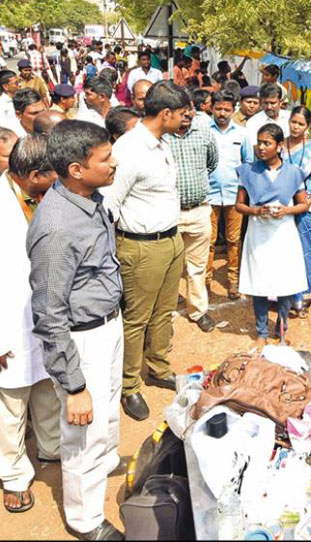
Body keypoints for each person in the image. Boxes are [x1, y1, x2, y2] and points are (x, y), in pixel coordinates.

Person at [27, 120, 124, 540]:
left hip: (107, 327)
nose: (114, 162)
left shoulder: (89, 198)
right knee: (83, 432)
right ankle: (84, 519)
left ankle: (101, 469)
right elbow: (49, 314)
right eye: (105, 158)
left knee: (103, 421)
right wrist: (73, 384)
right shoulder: (58, 227)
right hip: (82, 340)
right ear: (77, 169)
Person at [103, 81, 189, 422]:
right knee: (136, 318)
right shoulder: (129, 150)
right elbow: (109, 207)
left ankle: (158, 367)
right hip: (140, 248)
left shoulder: (160, 142)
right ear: (165, 114)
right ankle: (128, 387)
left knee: (164, 311)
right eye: (182, 113)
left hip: (170, 241)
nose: (186, 119)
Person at [0, 134, 60, 515]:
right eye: (52, 173)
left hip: (45, 313)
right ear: (33, 174)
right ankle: (14, 475)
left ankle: (52, 447)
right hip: (8, 321)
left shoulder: (46, 197)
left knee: (47, 388)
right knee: (10, 407)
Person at [236, 124, 309, 346]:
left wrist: (287, 210)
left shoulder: (294, 173)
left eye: (267, 143)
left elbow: (303, 205)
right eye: (259, 142)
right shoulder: (248, 171)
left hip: (283, 232)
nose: (261, 147)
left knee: (285, 281)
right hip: (258, 231)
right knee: (258, 282)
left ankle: (282, 325)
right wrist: (256, 211)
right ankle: (261, 332)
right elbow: (239, 205)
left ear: (279, 146)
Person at [163, 99, 219, 333]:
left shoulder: (204, 133)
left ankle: (198, 311)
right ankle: (166, 316)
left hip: (198, 210)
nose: (186, 114)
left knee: (197, 266)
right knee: (168, 266)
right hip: (169, 213)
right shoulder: (162, 138)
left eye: (189, 109)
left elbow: (212, 163)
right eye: (180, 110)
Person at [282, 106, 311, 317]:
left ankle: (306, 294)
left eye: (301, 124)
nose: (296, 127)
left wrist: (310, 200)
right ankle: (286, 293)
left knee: (307, 249)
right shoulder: (281, 145)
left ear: (307, 126)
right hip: (283, 205)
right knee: (286, 249)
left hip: (306, 208)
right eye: (294, 122)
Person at [207, 90, 253, 300]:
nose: (222, 113)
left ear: (233, 109)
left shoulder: (242, 133)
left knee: (234, 240)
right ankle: (205, 282)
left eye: (227, 109)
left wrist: (244, 190)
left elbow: (248, 164)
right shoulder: (204, 131)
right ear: (212, 108)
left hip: (235, 195)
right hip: (209, 195)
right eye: (218, 109)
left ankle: (233, 281)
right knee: (208, 241)